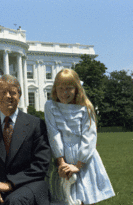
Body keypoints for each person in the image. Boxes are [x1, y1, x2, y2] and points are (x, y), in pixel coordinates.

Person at [0, 74, 51, 205]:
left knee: (15, 201)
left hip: (28, 184)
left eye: (13, 92)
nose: (8, 96)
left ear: (19, 95)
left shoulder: (36, 124)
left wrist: (9, 185)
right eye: (3, 92)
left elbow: (41, 164)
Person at [44, 69, 115, 205]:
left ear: (76, 89)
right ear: (55, 89)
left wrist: (79, 165)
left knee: (87, 197)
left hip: (84, 158)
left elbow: (89, 136)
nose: (64, 93)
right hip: (62, 158)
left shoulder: (85, 107)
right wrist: (61, 162)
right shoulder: (50, 106)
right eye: (61, 88)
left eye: (69, 88)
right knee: (67, 198)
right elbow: (53, 133)